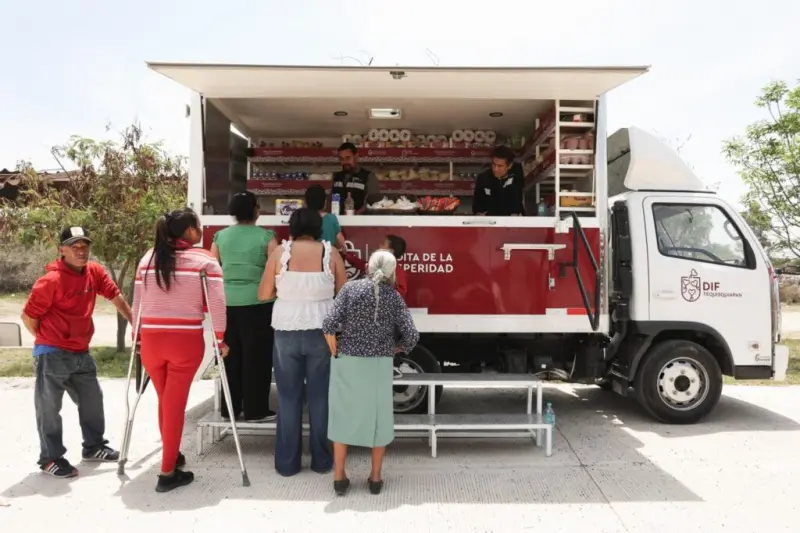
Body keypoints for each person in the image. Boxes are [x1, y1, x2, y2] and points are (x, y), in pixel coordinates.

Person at [21, 226, 133, 478]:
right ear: (62, 250)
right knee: (49, 408)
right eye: (74, 246)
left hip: (81, 352)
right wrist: (47, 340)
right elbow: (29, 317)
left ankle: (94, 446)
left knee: (92, 400)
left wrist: (135, 321)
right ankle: (50, 458)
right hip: (52, 353)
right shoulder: (49, 281)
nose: (81, 251)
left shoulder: (93, 272)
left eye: (84, 246)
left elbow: (114, 295)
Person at [131, 208, 228, 493]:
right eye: (198, 227)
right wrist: (220, 339)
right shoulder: (204, 260)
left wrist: (137, 340)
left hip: (151, 341)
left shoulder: (147, 258)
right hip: (184, 342)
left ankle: (171, 454)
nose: (200, 231)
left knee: (167, 403)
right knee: (173, 407)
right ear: (189, 232)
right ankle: (166, 473)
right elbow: (218, 304)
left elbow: (138, 303)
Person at [258, 207, 347, 477]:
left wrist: (286, 289)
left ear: (292, 227)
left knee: (288, 397)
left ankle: (287, 463)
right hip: (323, 332)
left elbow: (263, 294)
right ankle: (322, 461)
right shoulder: (330, 252)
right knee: (321, 398)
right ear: (318, 228)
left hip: (286, 331)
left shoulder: (279, 253)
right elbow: (343, 293)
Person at [323, 249, 420, 496]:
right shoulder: (394, 297)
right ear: (391, 272)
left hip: (347, 362)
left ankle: (339, 477)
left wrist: (335, 349)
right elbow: (412, 335)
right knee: (378, 419)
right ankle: (375, 479)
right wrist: (397, 348)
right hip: (379, 364)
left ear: (367, 267)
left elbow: (329, 324)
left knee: (342, 415)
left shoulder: (349, 290)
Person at [210, 192, 278, 422]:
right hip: (259, 304)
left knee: (230, 356)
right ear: (256, 210)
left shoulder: (220, 237)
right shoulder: (267, 237)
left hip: (227, 304)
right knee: (257, 357)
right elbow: (275, 271)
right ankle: (256, 409)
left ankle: (229, 409)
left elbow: (212, 270)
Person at [343, 234, 408, 300]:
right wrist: (347, 256)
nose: (379, 246)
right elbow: (364, 265)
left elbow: (401, 292)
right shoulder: (376, 264)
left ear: (391, 251)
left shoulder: (397, 270)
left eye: (382, 244)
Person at [472, 145, 525, 216]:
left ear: (509, 166)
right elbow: (477, 207)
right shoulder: (483, 178)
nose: (495, 169)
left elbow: (517, 202)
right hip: (489, 221)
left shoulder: (516, 176)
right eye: (494, 164)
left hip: (511, 221)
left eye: (500, 166)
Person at [331, 142, 381, 214]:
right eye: (341, 159)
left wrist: (357, 213)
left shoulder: (368, 176)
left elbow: (374, 202)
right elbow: (331, 199)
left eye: (348, 158)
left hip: (360, 221)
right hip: (337, 221)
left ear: (356, 156)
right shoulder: (336, 176)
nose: (345, 162)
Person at [304, 184, 345, 248]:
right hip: (329, 256)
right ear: (325, 202)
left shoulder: (302, 219)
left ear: (306, 202)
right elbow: (341, 244)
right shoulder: (332, 218)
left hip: (308, 256)